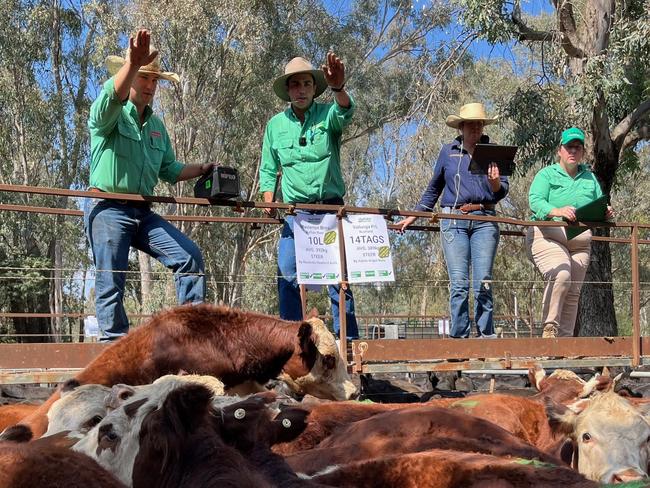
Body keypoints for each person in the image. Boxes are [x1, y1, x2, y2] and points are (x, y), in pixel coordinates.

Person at [84, 29, 214, 341]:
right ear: (128, 77)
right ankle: (114, 347)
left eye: (154, 80)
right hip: (108, 208)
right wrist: (132, 63)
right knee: (111, 279)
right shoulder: (109, 114)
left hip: (142, 211)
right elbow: (106, 105)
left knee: (189, 257)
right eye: (144, 77)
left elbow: (169, 169)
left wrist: (203, 169)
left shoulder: (156, 127)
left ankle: (191, 338)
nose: (150, 85)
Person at [259, 54, 359, 339]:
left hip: (331, 212)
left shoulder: (328, 115)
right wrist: (268, 199)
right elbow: (268, 168)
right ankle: (291, 347)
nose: (301, 89)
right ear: (288, 91)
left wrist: (339, 88)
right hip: (294, 216)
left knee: (339, 281)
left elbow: (346, 112)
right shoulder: (275, 126)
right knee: (287, 276)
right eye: (295, 85)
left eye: (306, 83)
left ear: (315, 88)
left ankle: (348, 347)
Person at [397, 103, 509, 338]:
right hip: (453, 219)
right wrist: (412, 216)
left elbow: (501, 192)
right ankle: (459, 338)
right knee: (459, 283)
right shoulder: (448, 152)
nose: (475, 128)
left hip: (485, 219)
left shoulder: (493, 151)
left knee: (483, 281)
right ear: (461, 127)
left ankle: (486, 336)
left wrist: (495, 182)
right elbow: (433, 189)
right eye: (470, 124)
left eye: (479, 123)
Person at [527, 127, 614, 338]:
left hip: (580, 243)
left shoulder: (589, 178)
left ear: (583, 151)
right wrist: (557, 211)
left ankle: (564, 346)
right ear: (560, 150)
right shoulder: (546, 174)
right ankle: (549, 331)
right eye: (569, 147)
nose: (573, 151)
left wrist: (606, 211)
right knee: (562, 274)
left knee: (574, 292)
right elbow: (535, 201)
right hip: (548, 236)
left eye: (577, 147)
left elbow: (598, 204)